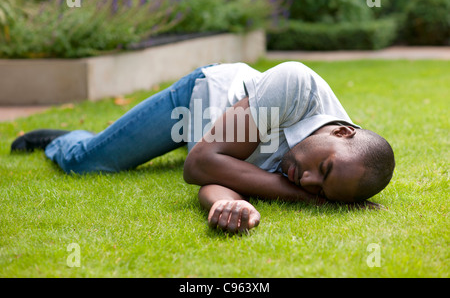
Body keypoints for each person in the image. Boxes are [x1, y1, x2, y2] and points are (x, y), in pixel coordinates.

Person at [11, 62, 395, 233]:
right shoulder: (298, 86)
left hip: (220, 143)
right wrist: (310, 200)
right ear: (342, 132)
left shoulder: (315, 166)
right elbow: (200, 165)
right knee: (87, 163)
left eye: (321, 190)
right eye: (322, 170)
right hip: (194, 103)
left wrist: (229, 204)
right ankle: (63, 138)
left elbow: (214, 181)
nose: (307, 181)